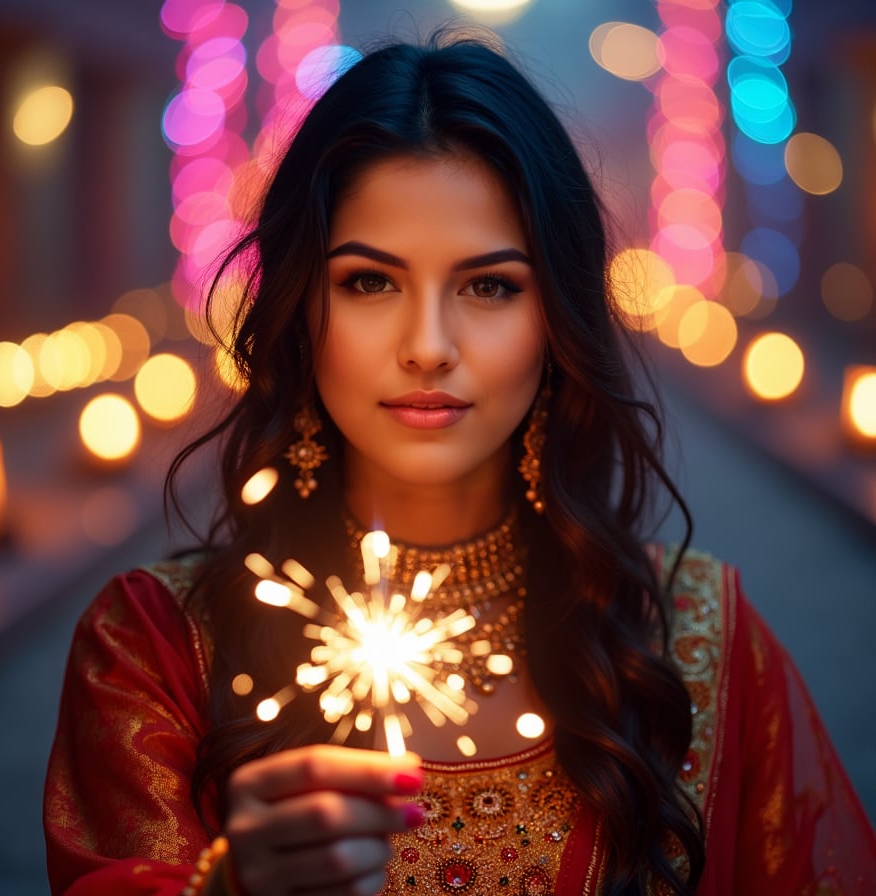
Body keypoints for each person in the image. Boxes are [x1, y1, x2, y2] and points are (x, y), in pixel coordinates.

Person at [44, 31, 876, 896]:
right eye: (370, 282)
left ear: (556, 322)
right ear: (299, 310)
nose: (429, 346)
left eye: (489, 286)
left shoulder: (700, 644)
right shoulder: (153, 650)